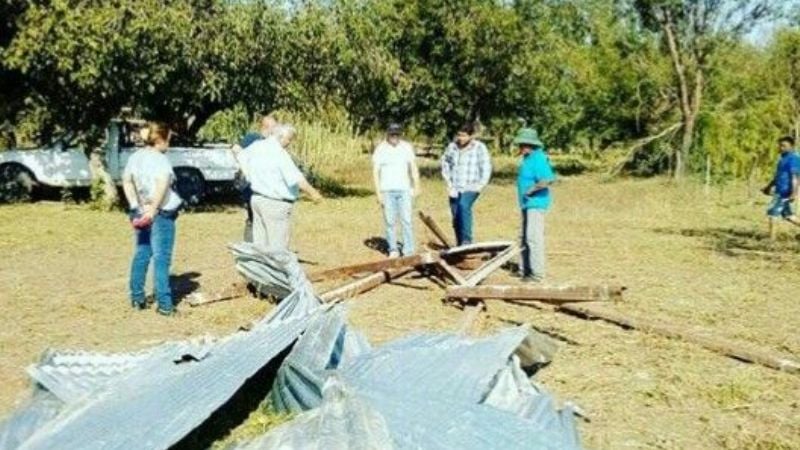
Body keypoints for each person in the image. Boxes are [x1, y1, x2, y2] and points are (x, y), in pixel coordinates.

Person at [122, 122, 183, 315]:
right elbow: (162, 184)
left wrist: (135, 206)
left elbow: (126, 180)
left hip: (140, 210)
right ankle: (165, 304)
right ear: (160, 139)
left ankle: (137, 296)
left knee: (142, 252)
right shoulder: (160, 160)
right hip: (161, 213)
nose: (169, 145)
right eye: (168, 140)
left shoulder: (136, 157)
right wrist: (153, 209)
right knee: (161, 257)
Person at [241, 124, 323, 251]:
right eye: (289, 139)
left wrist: (248, 175)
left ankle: (262, 269)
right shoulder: (279, 153)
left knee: (260, 244)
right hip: (275, 203)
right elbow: (296, 178)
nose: (289, 143)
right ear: (280, 136)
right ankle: (277, 270)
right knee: (278, 246)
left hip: (257, 199)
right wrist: (313, 193)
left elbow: (241, 156)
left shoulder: (257, 146)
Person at [372, 123, 421, 257]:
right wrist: (378, 193)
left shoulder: (406, 147)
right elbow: (376, 172)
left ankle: (408, 249)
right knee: (390, 221)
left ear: (400, 134)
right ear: (387, 134)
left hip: (404, 189)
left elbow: (413, 167)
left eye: (397, 134)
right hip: (387, 190)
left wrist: (417, 184)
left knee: (406, 220)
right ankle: (392, 248)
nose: (394, 137)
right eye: (392, 134)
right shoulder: (381, 149)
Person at [441, 122, 492, 246]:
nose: (461, 138)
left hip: (471, 186)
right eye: (459, 135)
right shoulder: (452, 147)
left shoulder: (479, 147)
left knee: (464, 206)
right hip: (455, 187)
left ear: (471, 136)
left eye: (464, 136)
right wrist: (448, 182)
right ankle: (460, 245)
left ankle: (466, 240)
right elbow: (445, 163)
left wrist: (480, 185)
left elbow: (485, 167)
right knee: (456, 215)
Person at [514, 128, 555, 282]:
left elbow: (547, 179)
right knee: (524, 237)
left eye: (525, 144)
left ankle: (537, 274)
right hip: (526, 203)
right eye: (521, 144)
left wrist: (532, 190)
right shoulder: (528, 158)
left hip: (536, 204)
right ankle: (524, 269)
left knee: (533, 237)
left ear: (532, 145)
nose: (522, 147)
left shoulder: (538, 158)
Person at [230, 113, 279, 242]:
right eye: (273, 127)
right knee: (253, 219)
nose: (275, 130)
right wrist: (247, 168)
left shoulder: (273, 143)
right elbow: (236, 149)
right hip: (252, 187)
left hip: (267, 187)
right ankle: (251, 247)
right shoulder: (253, 138)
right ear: (266, 127)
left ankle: (262, 246)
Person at [762, 135, 800, 240]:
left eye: (784, 146)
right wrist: (768, 187)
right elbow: (778, 176)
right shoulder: (782, 159)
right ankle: (771, 239)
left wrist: (794, 192)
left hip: (785, 192)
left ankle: (771, 240)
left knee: (772, 213)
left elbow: (795, 177)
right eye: (780, 145)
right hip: (779, 190)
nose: (781, 148)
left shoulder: (794, 159)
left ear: (791, 147)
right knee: (789, 216)